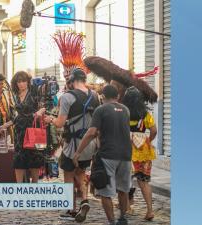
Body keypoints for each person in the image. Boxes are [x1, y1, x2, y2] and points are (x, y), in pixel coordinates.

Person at [43, 68, 99, 222]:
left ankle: (71, 209)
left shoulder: (68, 97)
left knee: (68, 175)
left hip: (73, 144)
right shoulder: (95, 95)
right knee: (81, 173)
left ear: (72, 81)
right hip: (89, 143)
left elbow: (60, 124)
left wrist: (50, 120)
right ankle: (84, 200)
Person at [73, 85, 132, 225]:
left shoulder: (100, 110)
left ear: (102, 97)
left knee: (105, 192)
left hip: (108, 155)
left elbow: (92, 132)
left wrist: (78, 152)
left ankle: (112, 222)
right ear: (117, 96)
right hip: (126, 155)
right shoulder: (126, 110)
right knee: (123, 190)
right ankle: (122, 218)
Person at [122, 86, 157, 221]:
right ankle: (149, 211)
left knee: (125, 181)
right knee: (144, 181)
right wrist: (147, 141)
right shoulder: (146, 114)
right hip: (143, 150)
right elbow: (154, 131)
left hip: (127, 149)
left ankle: (126, 209)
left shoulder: (124, 113)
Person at [10, 71, 44, 183]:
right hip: (19, 130)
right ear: (15, 83)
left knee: (34, 157)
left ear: (28, 82)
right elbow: (16, 115)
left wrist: (39, 112)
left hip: (33, 128)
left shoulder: (34, 92)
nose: (21, 84)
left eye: (23, 81)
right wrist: (6, 125)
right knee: (19, 158)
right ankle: (19, 187)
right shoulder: (15, 95)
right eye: (18, 81)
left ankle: (34, 185)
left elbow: (44, 107)